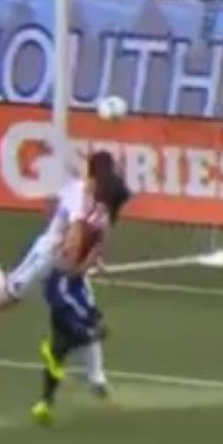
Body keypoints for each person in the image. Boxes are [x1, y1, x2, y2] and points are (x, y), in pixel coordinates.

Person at [31, 173, 132, 426]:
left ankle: (55, 396)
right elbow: (76, 256)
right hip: (64, 283)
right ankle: (85, 373)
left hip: (73, 283)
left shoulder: (96, 217)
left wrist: (93, 263)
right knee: (84, 328)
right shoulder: (95, 219)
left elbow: (88, 250)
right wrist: (84, 264)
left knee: (74, 333)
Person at [0, 152, 121, 311]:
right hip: (47, 256)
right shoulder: (78, 193)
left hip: (62, 260)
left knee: (78, 308)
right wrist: (69, 253)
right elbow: (73, 235)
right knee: (0, 301)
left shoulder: (99, 200)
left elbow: (93, 234)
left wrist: (90, 258)